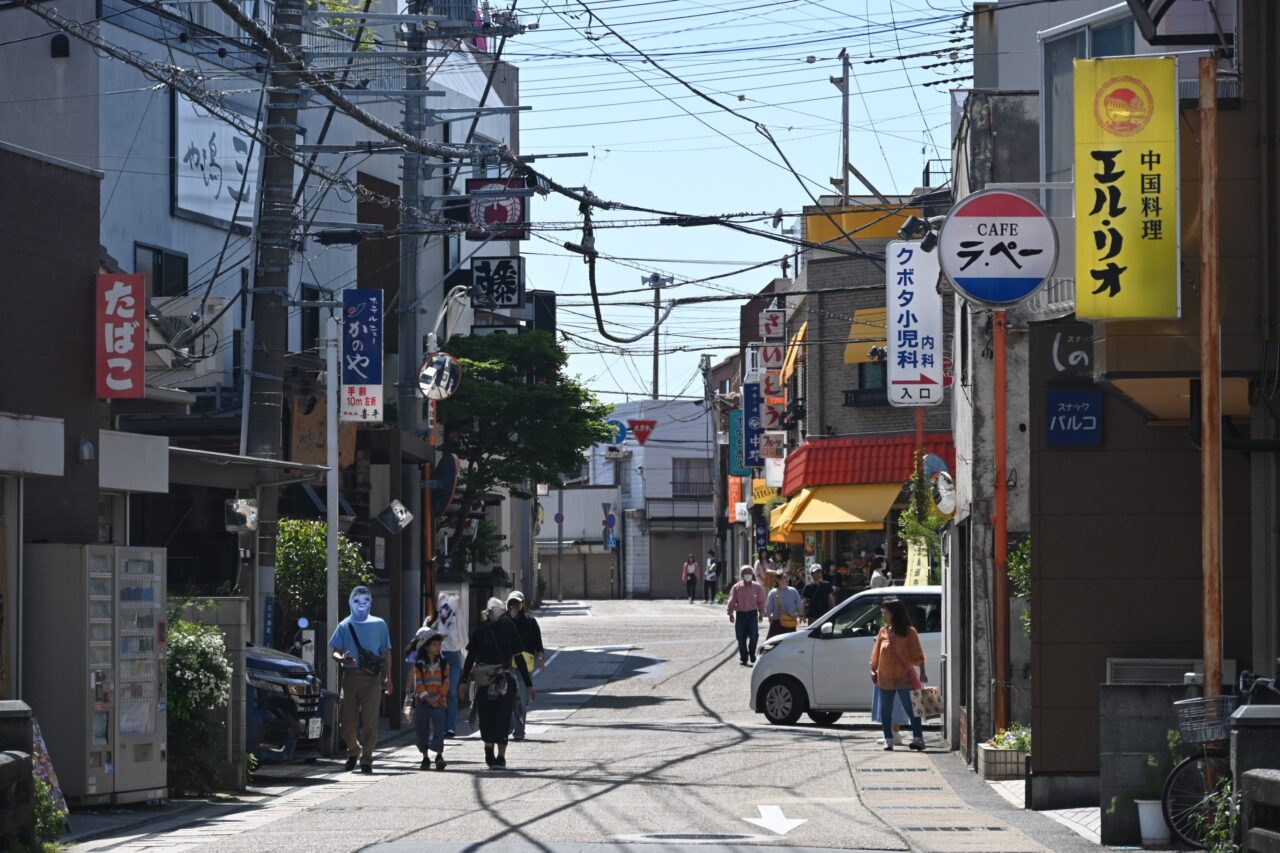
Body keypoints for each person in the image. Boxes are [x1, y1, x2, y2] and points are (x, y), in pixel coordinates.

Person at [460, 598, 534, 769]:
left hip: (504, 678)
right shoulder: (481, 631)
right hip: (485, 679)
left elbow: (518, 657)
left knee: (503, 716)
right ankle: (488, 746)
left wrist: (529, 684)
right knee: (485, 716)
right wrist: (463, 680)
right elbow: (470, 658)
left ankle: (501, 756)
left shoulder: (509, 629)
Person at [328, 586, 393, 773]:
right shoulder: (344, 625)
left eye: (365, 601)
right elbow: (335, 652)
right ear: (350, 603)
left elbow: (386, 652)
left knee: (371, 721)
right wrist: (342, 659)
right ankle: (354, 750)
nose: (361, 605)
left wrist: (389, 678)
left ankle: (367, 759)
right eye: (357, 601)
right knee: (346, 722)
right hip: (350, 676)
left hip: (372, 678)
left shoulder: (380, 624)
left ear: (370, 603)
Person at [870, 597, 927, 751]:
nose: (883, 615)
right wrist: (873, 669)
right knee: (885, 711)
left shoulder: (910, 632)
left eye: (885, 612)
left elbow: (918, 654)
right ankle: (888, 739)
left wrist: (922, 672)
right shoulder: (883, 632)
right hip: (885, 677)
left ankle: (918, 739)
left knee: (912, 709)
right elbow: (875, 655)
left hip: (904, 677)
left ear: (895, 613)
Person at [404, 630, 449, 770]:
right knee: (421, 729)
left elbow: (446, 682)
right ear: (427, 647)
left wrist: (439, 695)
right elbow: (418, 684)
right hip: (422, 702)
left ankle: (439, 755)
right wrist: (428, 698)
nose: (438, 647)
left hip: (440, 702)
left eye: (439, 644)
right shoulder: (419, 664)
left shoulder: (444, 663)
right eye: (434, 644)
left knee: (439, 728)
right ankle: (425, 757)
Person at [506, 591, 545, 741]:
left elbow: (538, 644)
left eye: (517, 602)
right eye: (511, 603)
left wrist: (540, 658)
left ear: (522, 604)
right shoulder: (505, 622)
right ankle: (511, 725)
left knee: (522, 699)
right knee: (507, 697)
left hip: (525, 666)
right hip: (508, 665)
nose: (514, 606)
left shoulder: (530, 622)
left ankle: (519, 731)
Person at [427, 591, 465, 737]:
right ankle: (440, 726)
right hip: (439, 657)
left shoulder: (456, 619)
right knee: (439, 691)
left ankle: (450, 727)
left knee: (452, 691)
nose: (446, 610)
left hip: (454, 656)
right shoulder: (433, 622)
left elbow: (462, 637)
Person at [726, 566, 766, 665]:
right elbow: (731, 601)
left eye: (749, 572)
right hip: (740, 615)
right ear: (742, 575)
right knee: (741, 637)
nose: (748, 574)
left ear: (752, 574)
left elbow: (761, 602)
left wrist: (761, 613)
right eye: (745, 572)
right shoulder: (736, 587)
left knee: (754, 635)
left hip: (752, 615)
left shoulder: (757, 587)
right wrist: (730, 613)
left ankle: (752, 653)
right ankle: (744, 658)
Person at [764, 570, 802, 639]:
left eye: (787, 577)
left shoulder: (793, 591)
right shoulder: (773, 592)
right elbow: (768, 608)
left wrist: (800, 614)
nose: (786, 579)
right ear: (778, 580)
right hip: (777, 622)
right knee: (774, 644)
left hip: (790, 621)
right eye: (784, 578)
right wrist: (769, 616)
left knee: (791, 645)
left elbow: (799, 605)